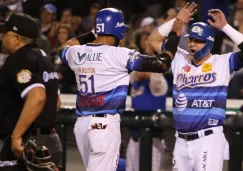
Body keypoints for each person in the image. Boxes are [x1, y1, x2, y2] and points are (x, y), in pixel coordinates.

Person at [57, 5, 195, 171]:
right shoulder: (120, 55)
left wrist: (94, 33)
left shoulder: (77, 52)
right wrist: (174, 36)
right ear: (119, 31)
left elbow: (63, 48)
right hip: (104, 126)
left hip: (81, 127)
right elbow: (162, 64)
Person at [148, 4, 243, 171]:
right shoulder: (179, 58)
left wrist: (226, 27)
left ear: (209, 43)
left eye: (198, 41)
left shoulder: (222, 62)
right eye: (191, 39)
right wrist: (176, 21)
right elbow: (153, 39)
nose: (192, 44)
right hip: (181, 141)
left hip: (208, 139)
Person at [0, 12, 62, 170]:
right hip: (49, 140)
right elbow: (56, 103)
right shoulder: (43, 58)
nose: (2, 38)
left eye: (4, 34)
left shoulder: (19, 59)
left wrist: (17, 135)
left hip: (26, 144)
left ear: (16, 39)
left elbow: (38, 96)